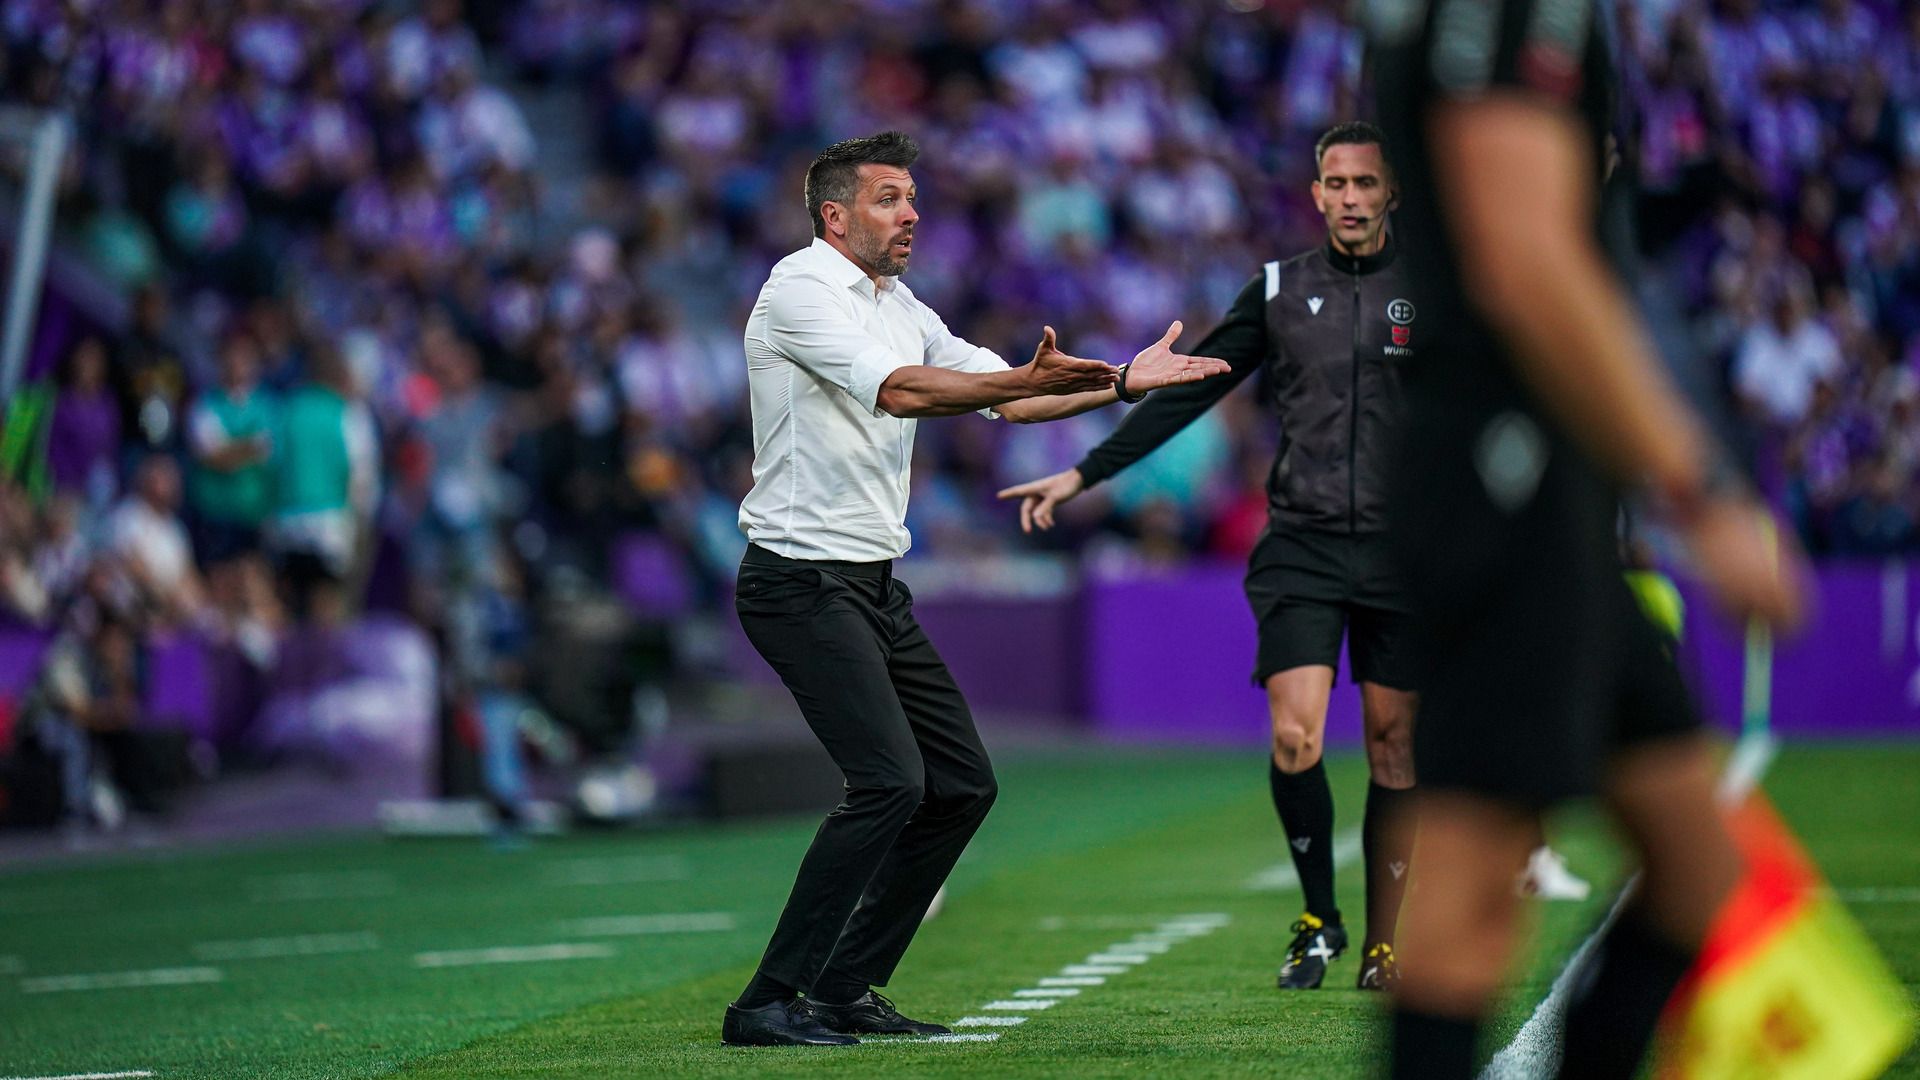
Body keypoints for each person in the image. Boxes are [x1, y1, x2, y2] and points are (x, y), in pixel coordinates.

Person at [1366, 1, 1808, 1076]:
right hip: (1501, 470)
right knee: (1472, 893)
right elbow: (1525, 256)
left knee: (1696, 860)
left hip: (1546, 482)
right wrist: (1699, 492)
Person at [723, 130, 1228, 1048]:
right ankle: (765, 1000)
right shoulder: (798, 288)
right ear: (834, 216)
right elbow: (910, 394)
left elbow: (1009, 394)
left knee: (961, 785)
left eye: (913, 197)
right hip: (797, 582)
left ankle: (844, 987)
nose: (911, 212)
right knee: (887, 783)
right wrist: (1024, 380)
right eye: (888, 198)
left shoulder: (899, 302)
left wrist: (1118, 382)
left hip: (872, 585)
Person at [998, 122, 1418, 991]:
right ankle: (1319, 921)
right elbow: (1187, 392)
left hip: (1402, 551)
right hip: (1300, 542)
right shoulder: (1275, 290)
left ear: (1391, 195)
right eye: (1334, 183)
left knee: (1394, 748)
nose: (1348, 199)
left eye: (1364, 184)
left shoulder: (1434, 294)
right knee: (1296, 734)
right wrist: (1084, 473)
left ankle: (1387, 940)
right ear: (1315, 194)